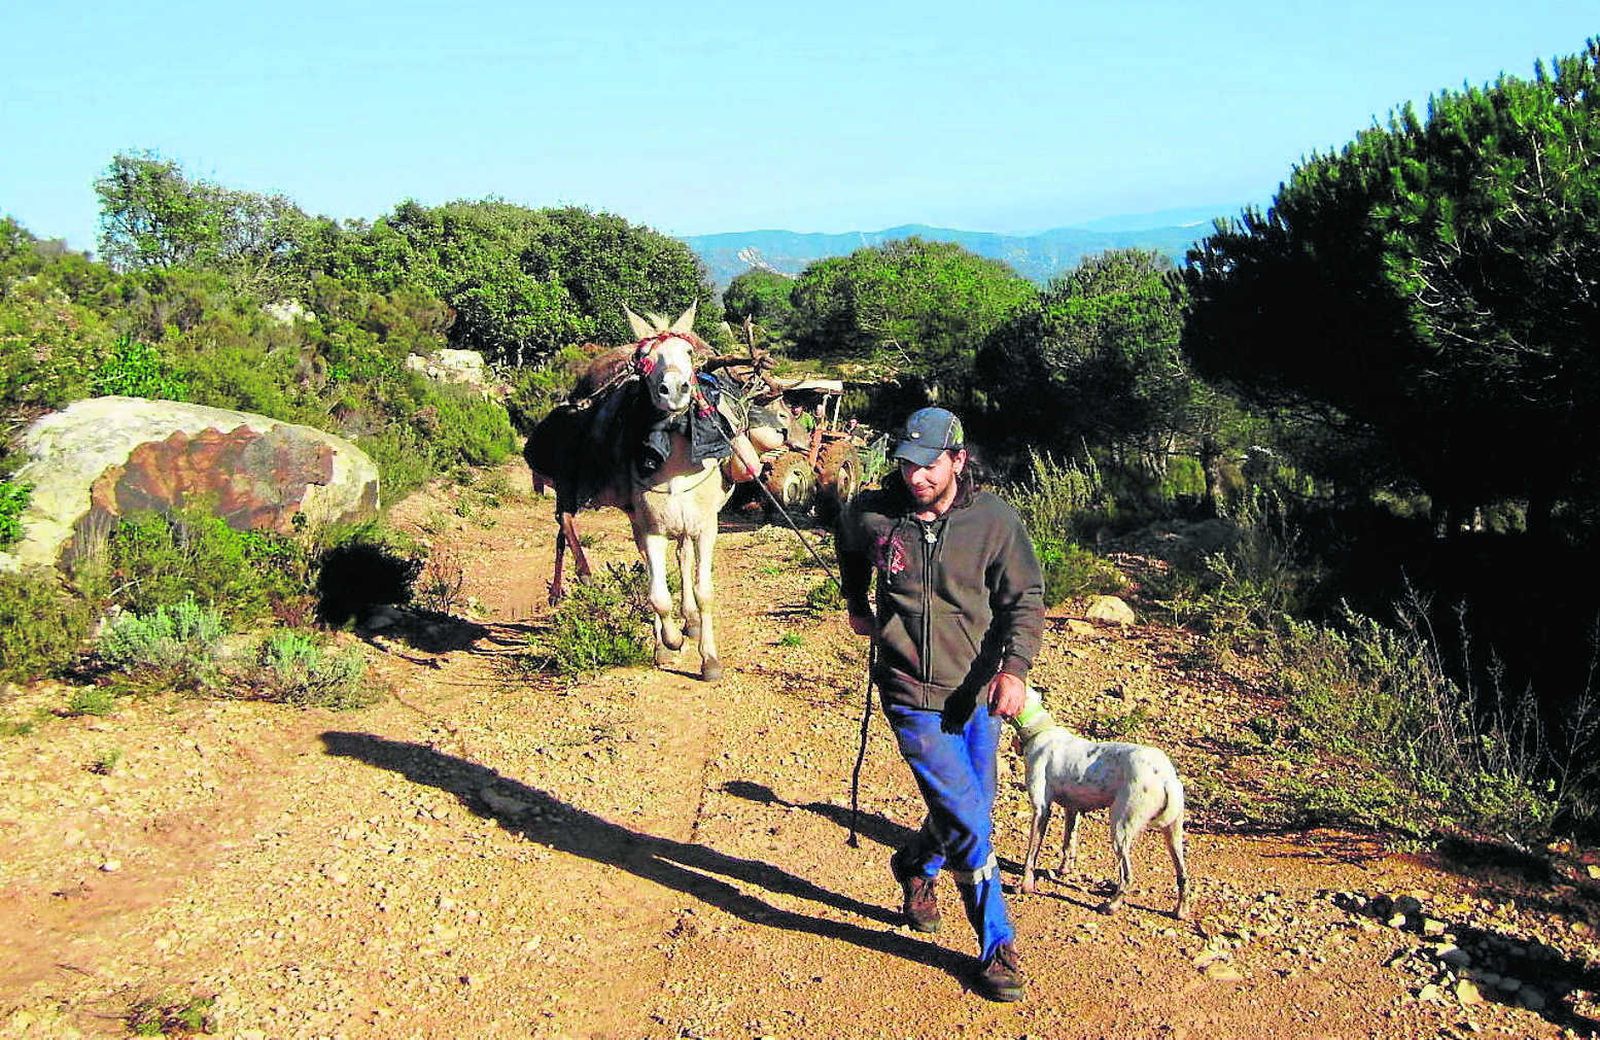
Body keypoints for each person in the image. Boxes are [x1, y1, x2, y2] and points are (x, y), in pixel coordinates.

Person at [835, 406, 1045, 1002]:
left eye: (929, 465)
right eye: (907, 464)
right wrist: (856, 602)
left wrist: (1014, 670)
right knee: (969, 820)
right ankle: (997, 943)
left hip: (976, 694)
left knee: (972, 805)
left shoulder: (993, 519)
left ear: (958, 458)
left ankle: (917, 865)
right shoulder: (875, 514)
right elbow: (849, 541)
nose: (917, 477)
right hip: (908, 691)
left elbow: (1025, 598)